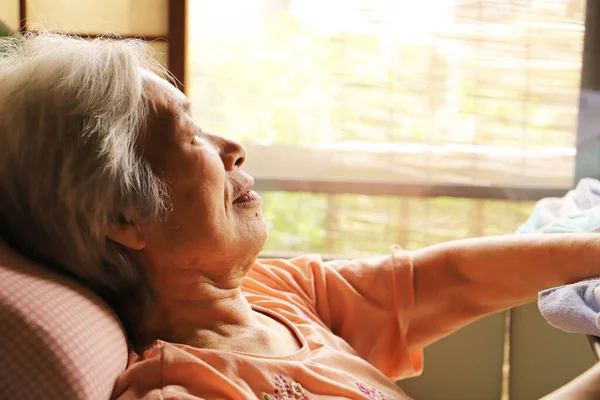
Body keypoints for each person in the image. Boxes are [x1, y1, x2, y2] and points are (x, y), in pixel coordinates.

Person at [1, 32, 599, 400]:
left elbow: (450, 279)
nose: (231, 145)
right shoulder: (187, 390)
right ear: (125, 216)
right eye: (189, 133)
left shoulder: (271, 294)